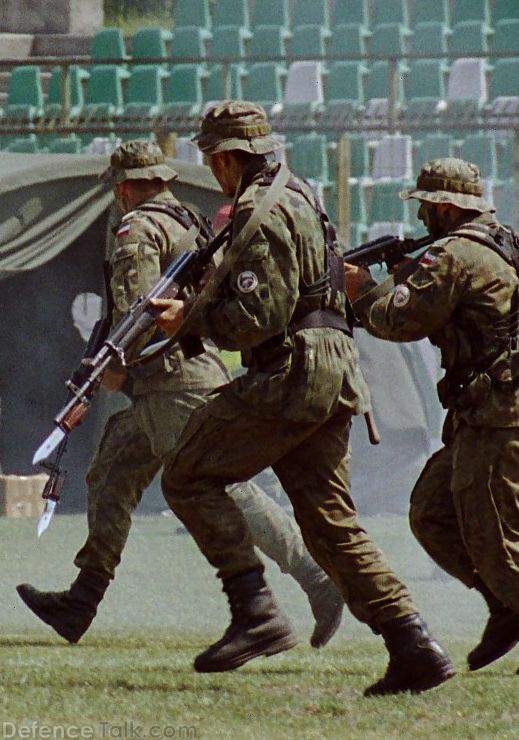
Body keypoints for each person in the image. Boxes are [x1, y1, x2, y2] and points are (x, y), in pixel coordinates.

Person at [149, 102, 453, 695]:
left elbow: (258, 317)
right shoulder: (299, 192)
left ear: (229, 157)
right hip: (331, 369)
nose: (212, 169)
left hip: (291, 372)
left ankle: (255, 612)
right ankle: (413, 644)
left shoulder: (258, 214)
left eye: (212, 158)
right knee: (330, 524)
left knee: (186, 473)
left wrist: (192, 319)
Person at [16, 140, 343, 650]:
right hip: (180, 375)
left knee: (223, 487)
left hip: (171, 383)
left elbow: (140, 311)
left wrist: (115, 368)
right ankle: (82, 599)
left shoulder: (137, 228)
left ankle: (316, 579)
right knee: (111, 474)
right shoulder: (190, 222)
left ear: (124, 189)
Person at [344, 158, 519, 677]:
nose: (421, 218)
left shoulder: (455, 253)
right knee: (430, 512)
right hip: (488, 409)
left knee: (497, 534)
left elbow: (400, 321)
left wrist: (363, 292)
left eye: (425, 207)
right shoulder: (502, 244)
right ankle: (508, 608)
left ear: (444, 207)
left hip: (498, 412)